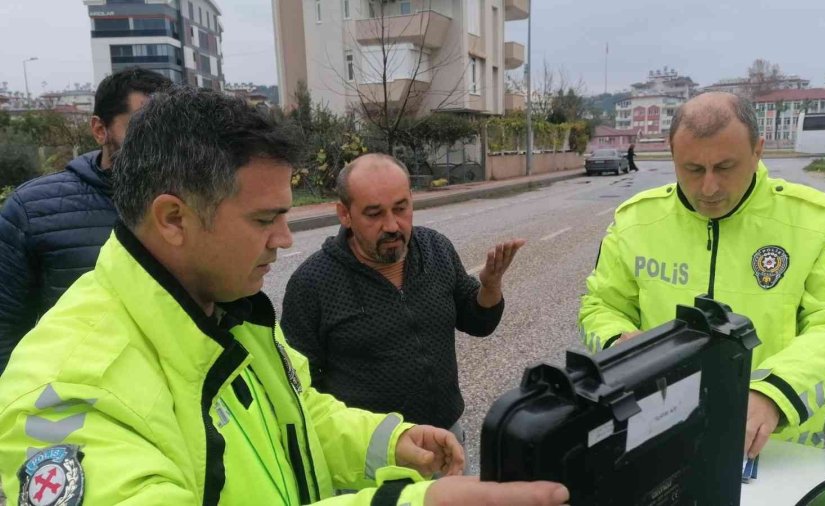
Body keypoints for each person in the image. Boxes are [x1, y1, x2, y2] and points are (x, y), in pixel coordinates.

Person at [0, 88, 567, 506]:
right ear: (173, 218)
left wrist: (389, 442)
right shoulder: (69, 389)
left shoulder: (230, 311)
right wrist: (402, 502)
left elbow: (301, 411)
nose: (285, 239)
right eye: (265, 219)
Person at [578, 92, 825, 460]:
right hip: (664, 440)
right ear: (672, 154)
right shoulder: (635, 222)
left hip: (781, 451)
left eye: (724, 167)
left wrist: (773, 393)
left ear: (758, 150)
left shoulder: (815, 221)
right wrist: (616, 343)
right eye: (692, 169)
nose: (709, 188)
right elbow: (601, 305)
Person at [281, 154, 524, 447]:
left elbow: (478, 322)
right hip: (369, 460)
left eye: (401, 208)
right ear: (344, 214)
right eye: (374, 214)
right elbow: (300, 388)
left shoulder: (436, 249)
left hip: (445, 440)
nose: (393, 225)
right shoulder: (313, 283)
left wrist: (490, 287)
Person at [0, 67, 171, 373]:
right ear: (99, 129)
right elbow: (5, 330)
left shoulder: (198, 203)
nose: (159, 144)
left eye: (168, 130)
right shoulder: (32, 210)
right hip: (78, 403)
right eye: (142, 128)